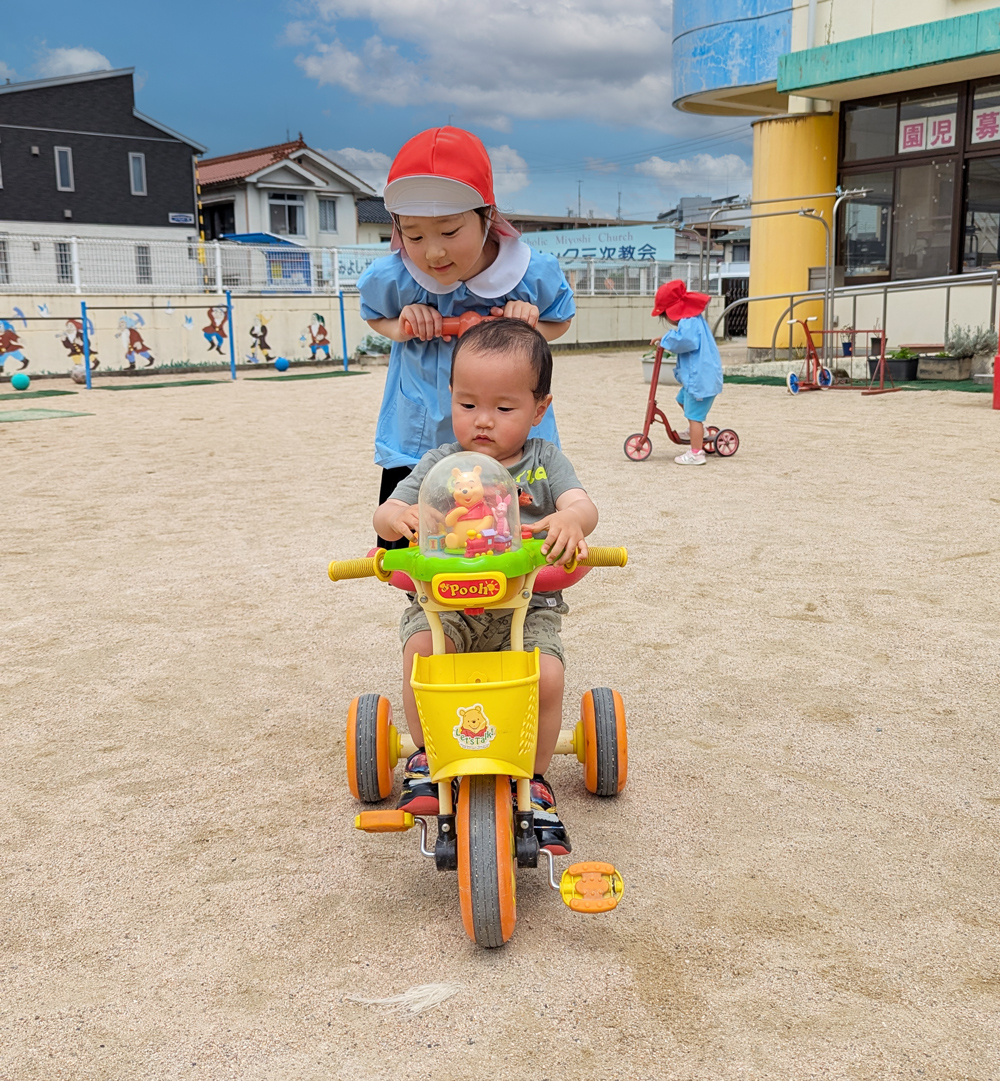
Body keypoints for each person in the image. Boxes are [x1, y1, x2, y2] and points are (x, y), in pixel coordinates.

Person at [373, 318, 598, 855]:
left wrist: (572, 522)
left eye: (504, 408)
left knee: (545, 676)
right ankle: (426, 756)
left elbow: (582, 505)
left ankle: (536, 781)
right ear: (450, 397)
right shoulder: (437, 464)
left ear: (539, 408)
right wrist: (395, 521)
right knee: (424, 653)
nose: (483, 421)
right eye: (468, 404)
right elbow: (388, 511)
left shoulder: (545, 463)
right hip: (444, 604)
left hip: (526, 603)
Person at [358, 126, 576, 546]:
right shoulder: (398, 277)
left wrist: (531, 325)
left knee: (517, 538)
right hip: (420, 438)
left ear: (487, 216)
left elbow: (560, 320)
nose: (433, 252)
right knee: (415, 541)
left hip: (509, 439)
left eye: (449, 231)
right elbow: (374, 315)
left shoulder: (530, 275)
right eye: (414, 235)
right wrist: (402, 326)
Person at [649, 280, 724, 466]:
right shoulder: (692, 319)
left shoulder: (689, 322)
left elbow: (686, 341)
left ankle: (696, 453)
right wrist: (665, 339)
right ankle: (700, 432)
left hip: (700, 380)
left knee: (694, 417)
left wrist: (666, 340)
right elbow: (682, 338)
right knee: (682, 399)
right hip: (699, 377)